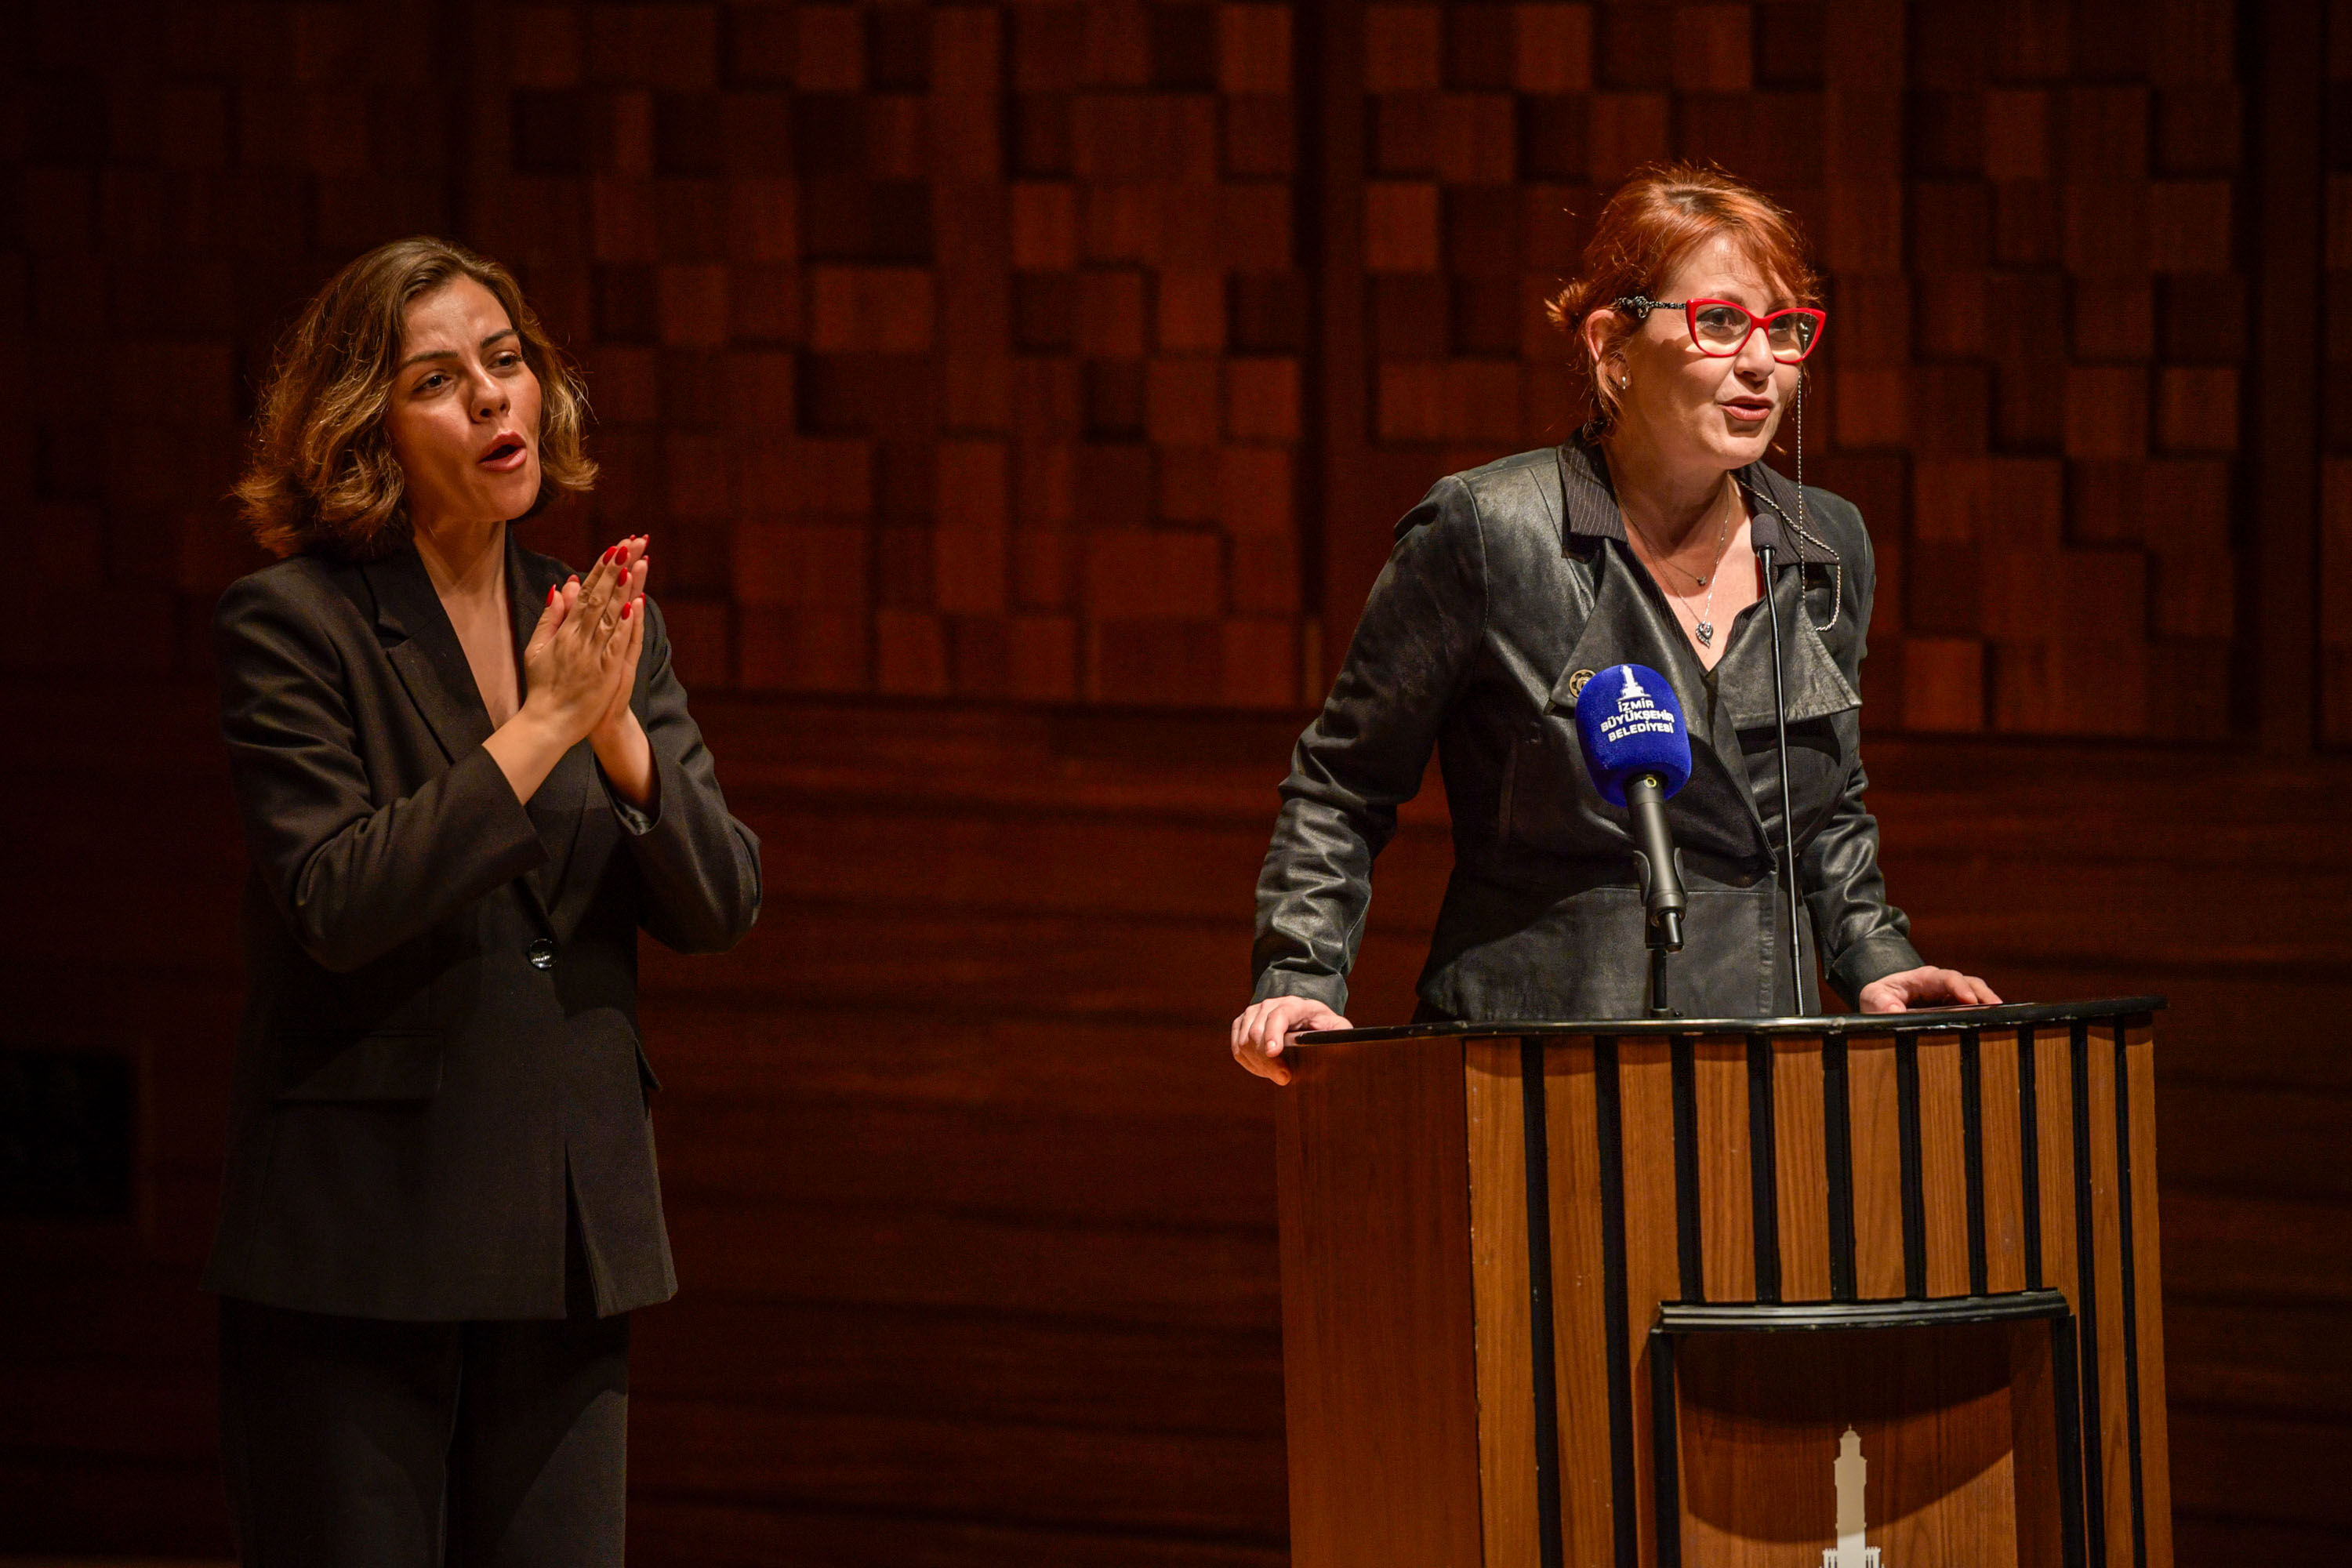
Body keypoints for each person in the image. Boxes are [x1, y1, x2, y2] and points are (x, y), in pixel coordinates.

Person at [206, 235, 761, 1563]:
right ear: (366, 429)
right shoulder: (292, 627)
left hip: (572, 1225)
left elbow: (723, 900)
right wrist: (539, 730)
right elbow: (337, 897)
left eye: (506, 363)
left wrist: (619, 738)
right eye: (442, 379)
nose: (495, 399)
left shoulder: (596, 620)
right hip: (365, 1230)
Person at [1232, 164, 1994, 1085]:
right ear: (1612, 345)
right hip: (1534, 1061)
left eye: (1787, 328)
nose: (1762, 362)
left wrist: (1877, 957)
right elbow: (1343, 785)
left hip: (1769, 1052)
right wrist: (1301, 971)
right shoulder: (1491, 529)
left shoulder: (1822, 541)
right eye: (1721, 321)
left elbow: (1824, 808)